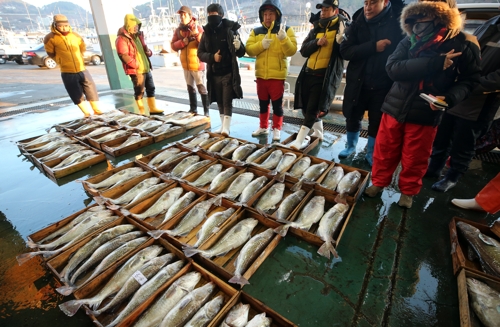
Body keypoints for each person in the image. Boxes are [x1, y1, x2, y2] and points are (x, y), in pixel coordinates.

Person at [363, 1, 481, 209]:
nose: (418, 23)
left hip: (426, 112)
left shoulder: (464, 44)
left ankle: (408, 191)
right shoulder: (408, 41)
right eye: (415, 19)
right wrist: (435, 63)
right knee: (384, 150)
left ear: (439, 18)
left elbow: (470, 80)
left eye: (423, 18)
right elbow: (392, 68)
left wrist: (449, 99)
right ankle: (378, 182)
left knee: (415, 156)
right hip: (394, 106)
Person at [426, 14, 500, 192]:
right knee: (442, 135)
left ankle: (453, 176)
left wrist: (469, 84)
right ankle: (434, 168)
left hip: (482, 101)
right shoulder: (492, 22)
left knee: (465, 143)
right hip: (457, 94)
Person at [339, 0, 405, 165]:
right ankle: (351, 145)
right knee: (352, 115)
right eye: (366, 3)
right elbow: (345, 50)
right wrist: (373, 47)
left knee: (377, 120)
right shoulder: (357, 21)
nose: (368, 7)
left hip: (383, 83)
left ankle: (372, 151)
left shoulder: (398, 21)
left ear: (385, 2)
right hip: (358, 82)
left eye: (373, 3)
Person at [289, 0, 347, 150]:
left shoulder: (342, 27)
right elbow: (303, 50)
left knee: (312, 110)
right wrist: (317, 42)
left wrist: (342, 41)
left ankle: (299, 140)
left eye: (327, 9)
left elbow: (346, 53)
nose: (323, 12)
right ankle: (318, 133)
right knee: (306, 107)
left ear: (335, 10)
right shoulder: (316, 27)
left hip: (324, 77)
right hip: (308, 73)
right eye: (322, 9)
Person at [245, 0, 297, 142]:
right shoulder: (256, 31)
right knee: (262, 103)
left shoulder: (286, 30)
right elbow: (249, 49)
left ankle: (277, 129)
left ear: (277, 14)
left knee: (277, 105)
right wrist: (261, 45)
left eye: (271, 14)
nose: (268, 17)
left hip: (277, 76)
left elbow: (291, 50)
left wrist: (284, 39)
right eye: (265, 14)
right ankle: (263, 126)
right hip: (261, 75)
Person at [197, 3, 246, 136]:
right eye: (210, 15)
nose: (212, 17)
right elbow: (200, 53)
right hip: (214, 73)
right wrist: (213, 57)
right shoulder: (206, 33)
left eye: (215, 15)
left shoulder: (230, 29)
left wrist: (238, 46)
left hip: (229, 72)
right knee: (219, 99)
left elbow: (241, 51)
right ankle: (222, 125)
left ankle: (226, 128)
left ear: (222, 15)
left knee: (227, 100)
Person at [43, 14, 102, 118]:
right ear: (55, 25)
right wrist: (61, 60)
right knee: (76, 94)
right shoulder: (50, 38)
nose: (63, 28)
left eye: (65, 25)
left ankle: (97, 111)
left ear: (68, 25)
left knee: (91, 90)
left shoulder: (75, 35)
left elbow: (82, 47)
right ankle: (87, 113)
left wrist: (79, 57)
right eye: (60, 26)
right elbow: (50, 53)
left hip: (81, 69)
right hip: (67, 71)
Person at [116, 14, 163, 115]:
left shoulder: (139, 36)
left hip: (146, 68)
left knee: (151, 88)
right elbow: (123, 55)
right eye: (134, 26)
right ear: (129, 25)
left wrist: (149, 52)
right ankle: (141, 111)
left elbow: (145, 50)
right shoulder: (121, 39)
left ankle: (153, 108)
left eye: (137, 25)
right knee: (139, 91)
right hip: (137, 70)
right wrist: (136, 65)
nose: (136, 27)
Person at [171, 6, 209, 116]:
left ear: (190, 16)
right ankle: (193, 109)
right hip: (185, 65)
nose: (182, 17)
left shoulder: (198, 28)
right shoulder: (178, 31)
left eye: (184, 15)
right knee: (190, 88)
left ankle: (206, 111)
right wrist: (182, 42)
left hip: (197, 65)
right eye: (180, 15)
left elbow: (205, 44)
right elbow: (173, 46)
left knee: (201, 87)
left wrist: (196, 34)